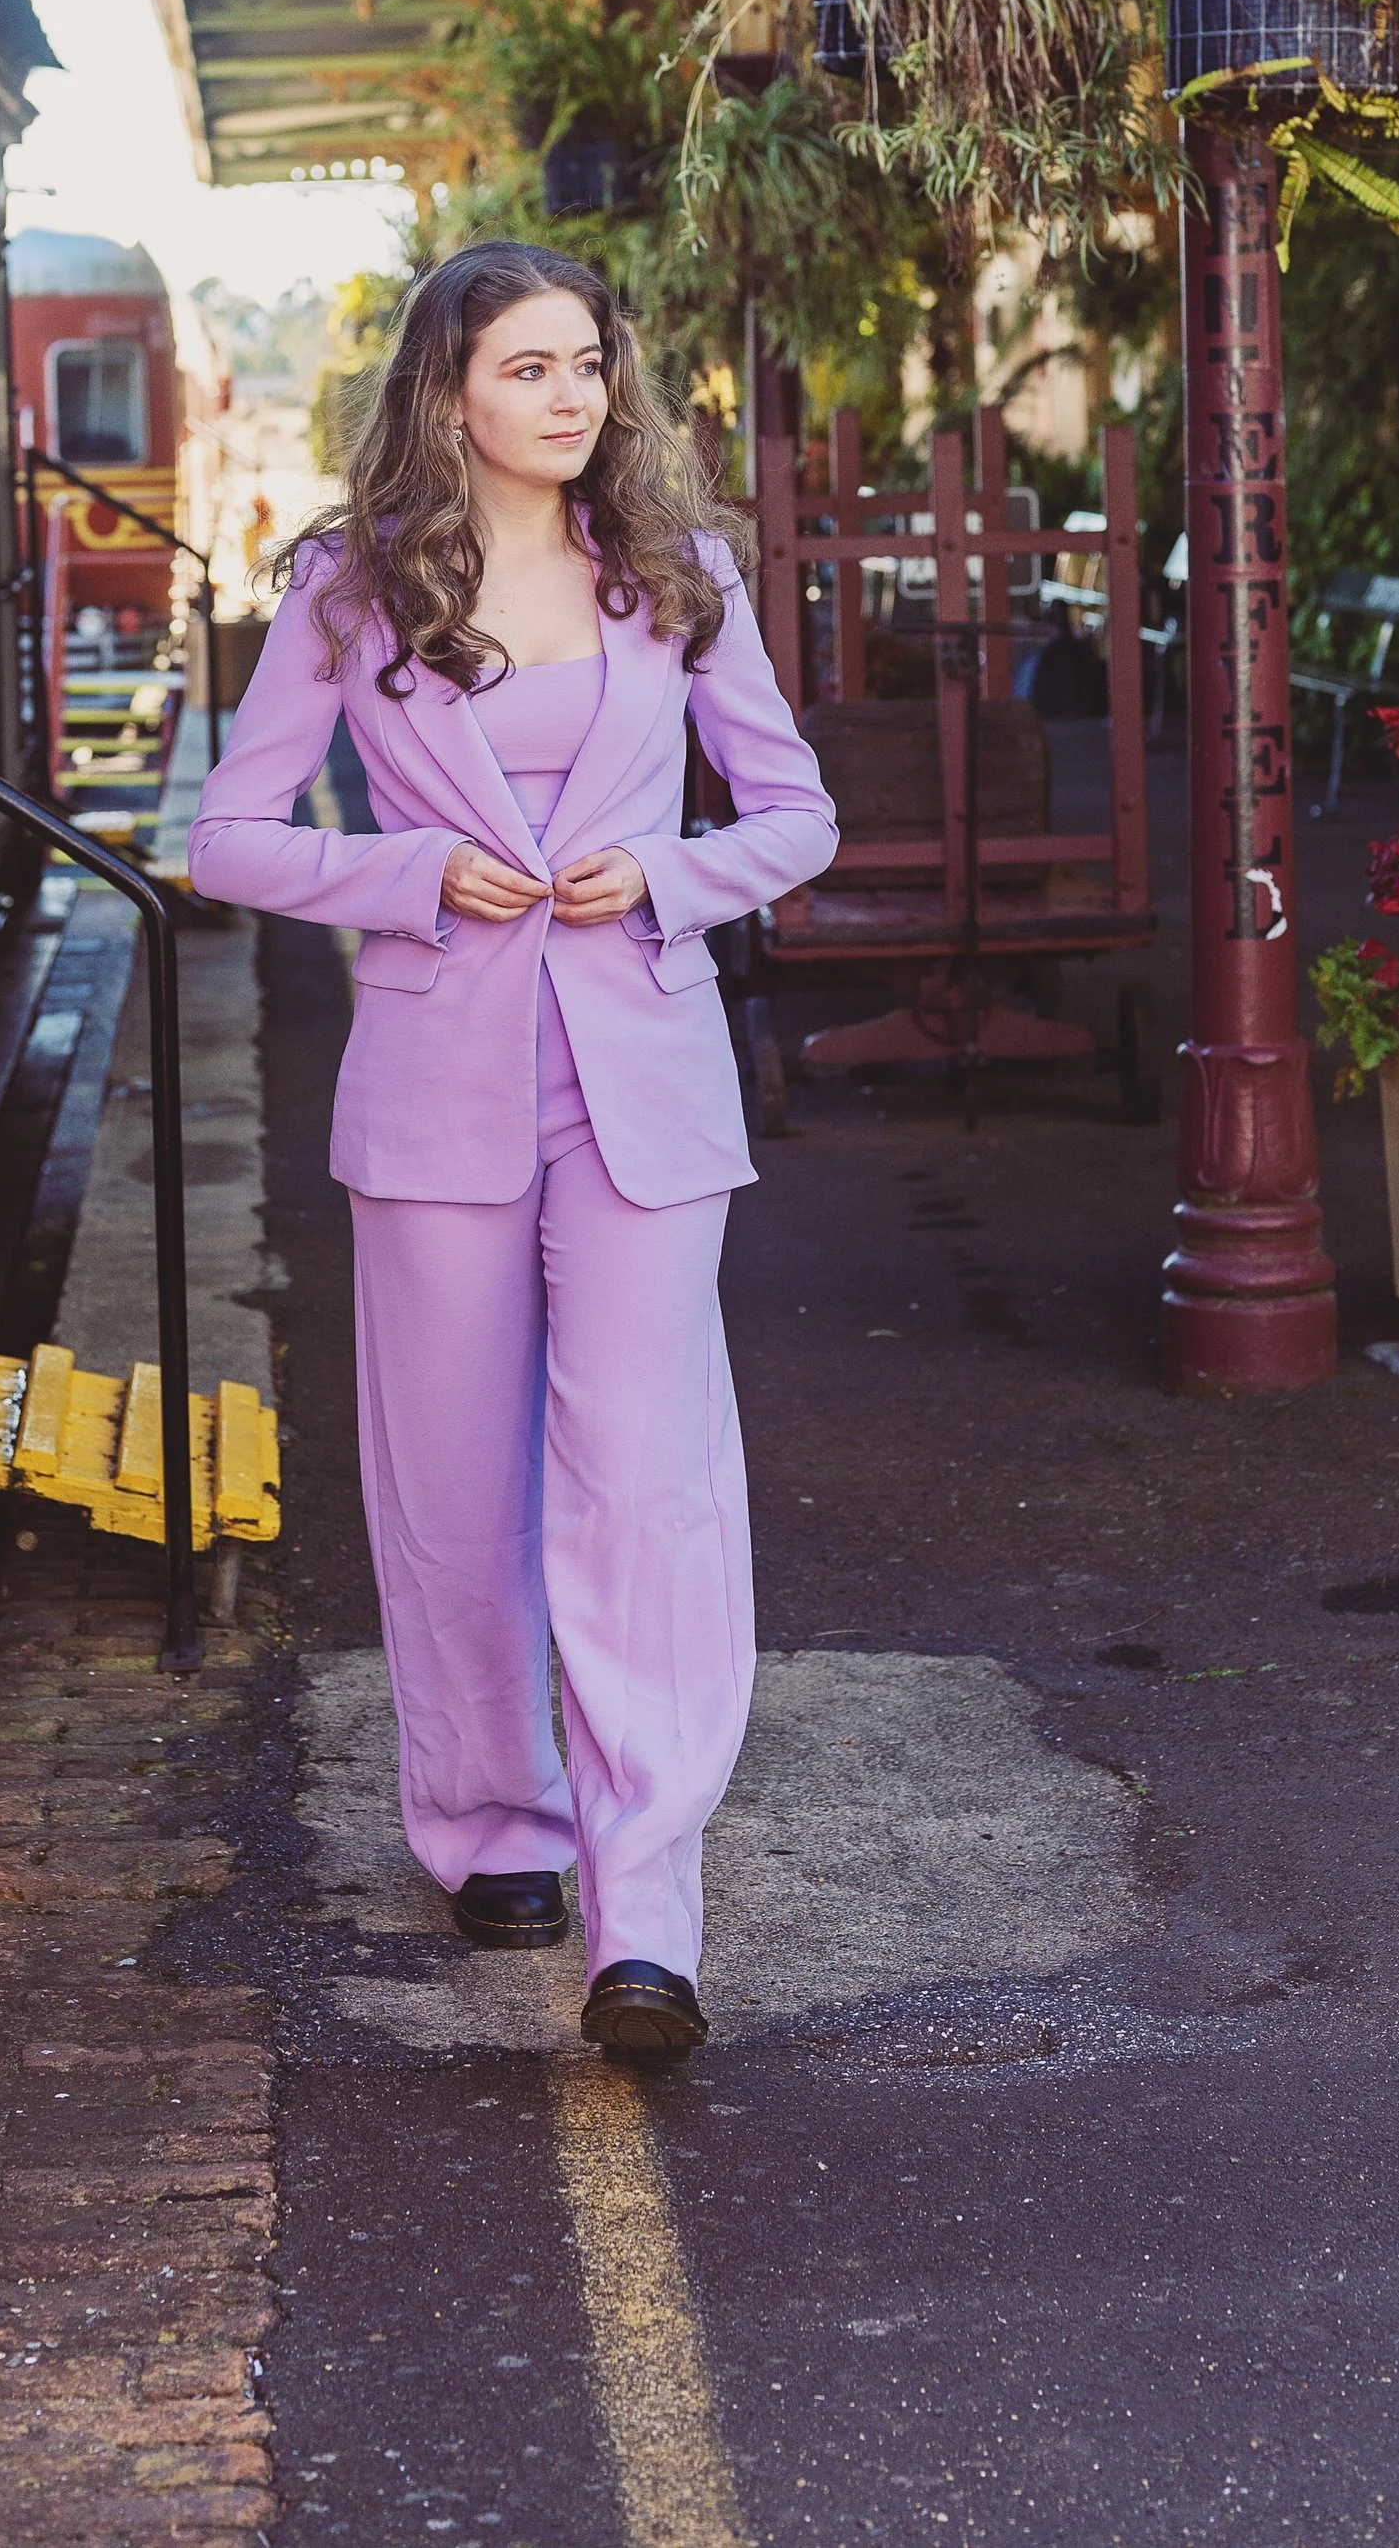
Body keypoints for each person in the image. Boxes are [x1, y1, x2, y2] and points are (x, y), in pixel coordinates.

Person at [190, 242, 836, 2061]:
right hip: (436, 1086)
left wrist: (673, 875)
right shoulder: (351, 586)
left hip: (641, 1073)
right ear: (448, 393)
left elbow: (794, 814)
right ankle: (491, 1823)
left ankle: (652, 1919)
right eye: (534, 369)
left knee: (645, 1489)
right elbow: (229, 834)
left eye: (591, 366)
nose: (576, 399)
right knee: (457, 1494)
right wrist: (401, 874)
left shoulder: (678, 574)